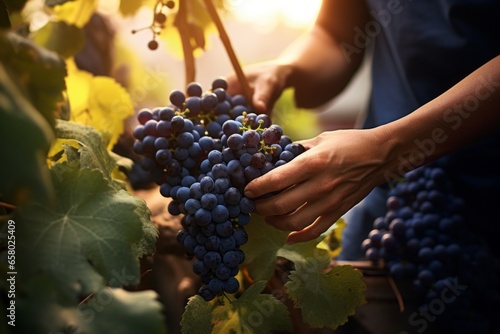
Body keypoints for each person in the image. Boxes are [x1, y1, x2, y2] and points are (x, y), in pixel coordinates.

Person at [225, 0, 500, 257]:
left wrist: (389, 149)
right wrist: (286, 68)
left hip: (485, 204)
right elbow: (336, 35)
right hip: (384, 214)